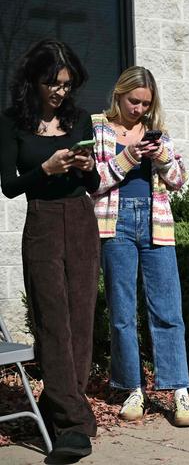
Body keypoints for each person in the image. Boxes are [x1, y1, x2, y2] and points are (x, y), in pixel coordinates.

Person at [0, 39, 99, 458]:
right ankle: (74, 422)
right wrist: (45, 168)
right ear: (33, 81)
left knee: (80, 319)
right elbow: (10, 186)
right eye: (52, 83)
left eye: (66, 83)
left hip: (80, 217)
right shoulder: (10, 122)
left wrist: (88, 168)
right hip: (41, 218)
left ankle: (64, 409)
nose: (60, 91)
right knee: (52, 319)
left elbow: (92, 186)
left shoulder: (79, 121)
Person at [91, 66, 189, 426]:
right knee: (123, 313)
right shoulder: (98, 129)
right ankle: (133, 387)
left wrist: (161, 157)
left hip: (156, 222)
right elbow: (93, 181)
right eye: (133, 101)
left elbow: (179, 179)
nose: (138, 109)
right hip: (114, 222)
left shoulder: (159, 134)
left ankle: (179, 390)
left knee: (168, 308)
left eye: (145, 104)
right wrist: (131, 156)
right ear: (119, 94)